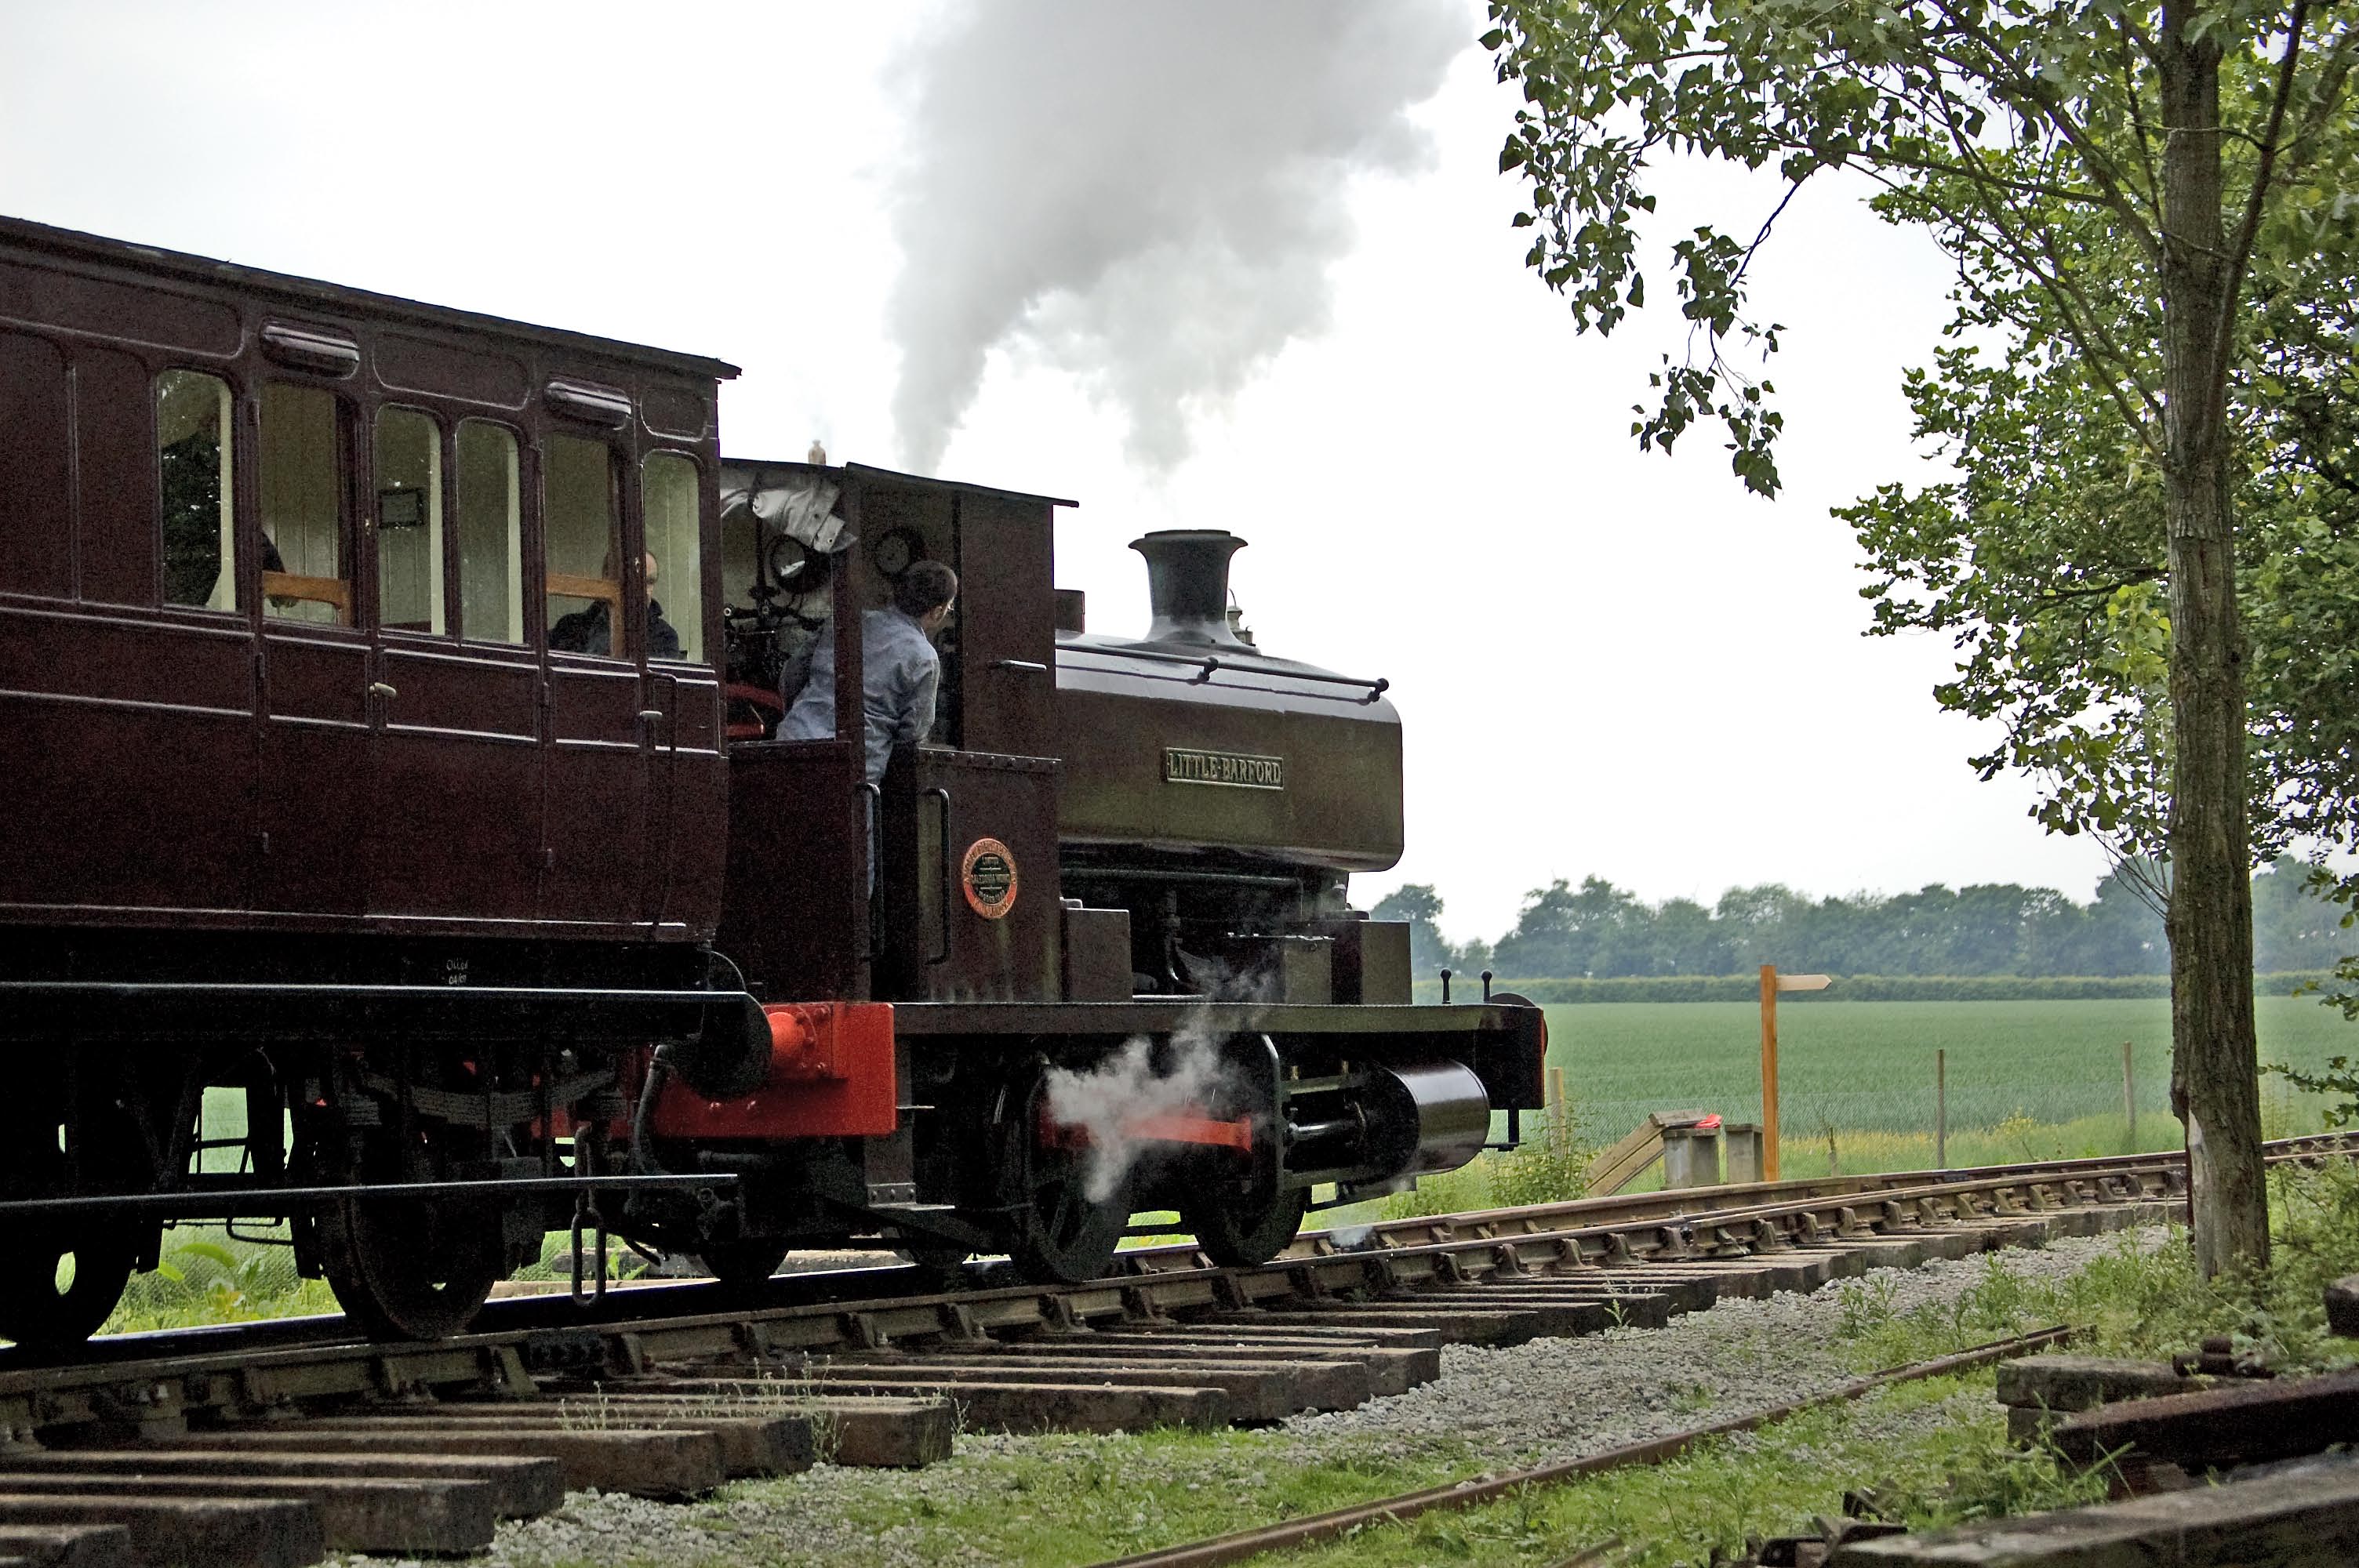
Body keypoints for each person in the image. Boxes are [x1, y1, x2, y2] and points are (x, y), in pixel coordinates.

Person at [780, 558, 958, 783]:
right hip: (851, 768)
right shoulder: (924, 656)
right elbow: (913, 732)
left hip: (791, 742)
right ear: (937, 612)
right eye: (949, 607)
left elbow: (793, 673)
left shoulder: (846, 622)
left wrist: (802, 713)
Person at [549, 551, 682, 658]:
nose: (644, 591)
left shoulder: (664, 636)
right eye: (634, 580)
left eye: (650, 581)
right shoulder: (570, 627)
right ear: (607, 579)